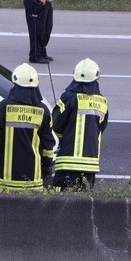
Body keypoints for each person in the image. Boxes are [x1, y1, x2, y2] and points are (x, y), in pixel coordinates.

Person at [0, 63, 56, 191]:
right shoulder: (43, 111)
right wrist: (47, 165)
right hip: (32, 181)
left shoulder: (4, 107)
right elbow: (48, 144)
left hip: (4, 180)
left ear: (15, 83)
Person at [51, 58, 108, 190]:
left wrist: (63, 138)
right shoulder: (102, 102)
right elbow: (100, 129)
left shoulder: (68, 98)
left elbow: (56, 124)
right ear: (96, 77)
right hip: (90, 163)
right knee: (84, 203)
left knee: (61, 201)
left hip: (67, 161)